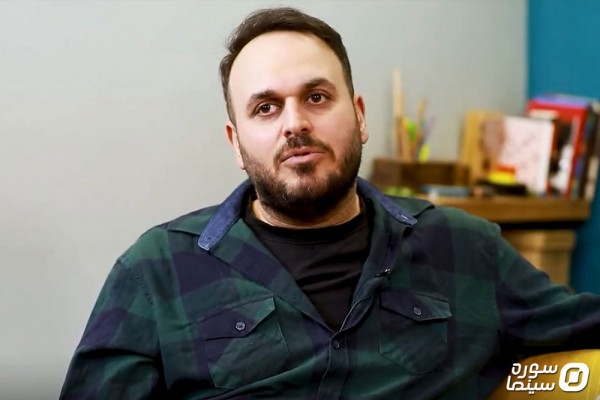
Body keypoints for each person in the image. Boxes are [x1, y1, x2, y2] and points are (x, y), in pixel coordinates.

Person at [60, 7, 600, 400]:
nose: (295, 122)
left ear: (359, 116)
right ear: (236, 143)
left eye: (316, 97)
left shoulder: (462, 246)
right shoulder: (156, 271)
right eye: (266, 108)